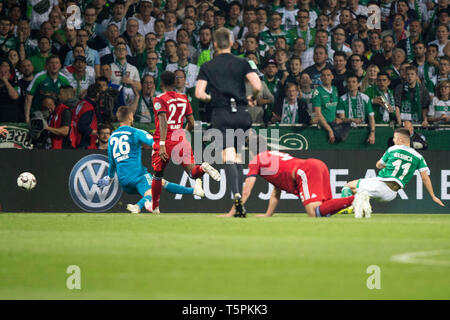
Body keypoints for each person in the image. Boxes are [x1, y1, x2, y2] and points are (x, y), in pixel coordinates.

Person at [195, 27, 261, 217]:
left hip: (221, 114)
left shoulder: (207, 66)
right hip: (241, 113)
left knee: (228, 157)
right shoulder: (243, 63)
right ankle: (240, 205)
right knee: (238, 156)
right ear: (232, 43)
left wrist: (211, 99)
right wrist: (251, 97)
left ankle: (237, 195)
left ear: (215, 44)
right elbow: (257, 85)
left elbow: (199, 93)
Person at [96, 106, 205, 214]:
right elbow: (155, 143)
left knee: (160, 182)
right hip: (137, 177)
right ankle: (138, 206)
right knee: (153, 192)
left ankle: (193, 191)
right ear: (130, 117)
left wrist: (109, 179)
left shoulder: (112, 138)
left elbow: (112, 163)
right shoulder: (136, 132)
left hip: (123, 181)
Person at [151, 71, 221, 213]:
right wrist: (183, 133)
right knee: (192, 173)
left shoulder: (159, 99)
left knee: (157, 175)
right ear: (175, 82)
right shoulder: (183, 98)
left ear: (162, 83)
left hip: (165, 140)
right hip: (181, 138)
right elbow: (192, 122)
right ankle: (203, 168)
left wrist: (163, 145)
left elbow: (163, 122)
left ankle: (155, 208)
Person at [341, 128, 445, 218]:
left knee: (348, 186)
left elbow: (378, 165)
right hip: (392, 194)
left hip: (381, 185)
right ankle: (363, 203)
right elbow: (425, 178)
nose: (393, 140)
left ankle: (344, 208)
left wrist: (383, 165)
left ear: (400, 139)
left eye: (395, 138)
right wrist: (433, 196)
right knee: (359, 192)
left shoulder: (393, 149)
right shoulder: (419, 157)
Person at [223, 150, 356, 217]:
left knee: (313, 212)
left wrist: (232, 212)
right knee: (324, 210)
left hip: (307, 169)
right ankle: (353, 200)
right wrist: (268, 215)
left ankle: (355, 198)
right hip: (319, 165)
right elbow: (276, 191)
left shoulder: (256, 160)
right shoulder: (271, 157)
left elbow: (245, 191)